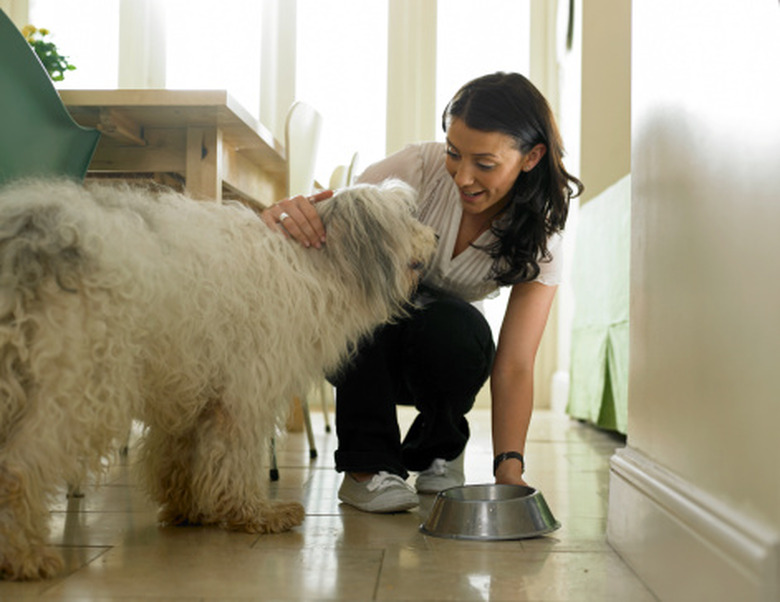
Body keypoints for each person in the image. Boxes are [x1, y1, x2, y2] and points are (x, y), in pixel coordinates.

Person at [261, 72, 583, 513]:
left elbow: (514, 365)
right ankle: (366, 468)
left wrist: (509, 468)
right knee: (368, 302)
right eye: (455, 154)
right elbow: (330, 215)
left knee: (464, 330)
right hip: (363, 354)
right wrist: (287, 214)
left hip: (435, 357)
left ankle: (440, 448)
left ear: (531, 157)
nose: (463, 177)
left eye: (484, 164)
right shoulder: (417, 169)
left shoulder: (540, 240)